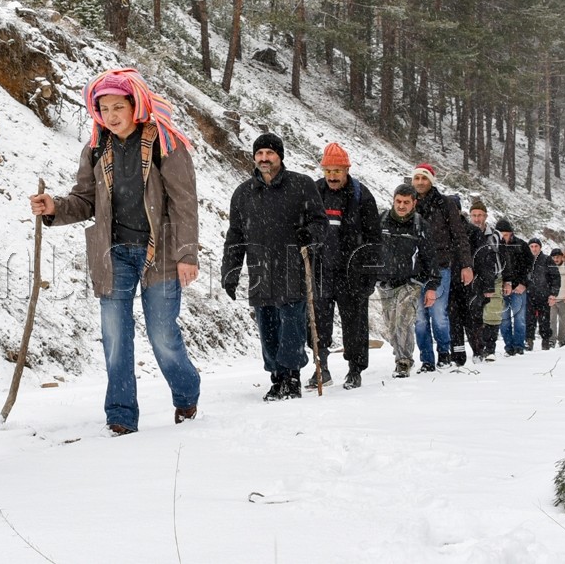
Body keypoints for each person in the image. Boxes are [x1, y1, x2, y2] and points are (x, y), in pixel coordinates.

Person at [30, 68, 201, 435]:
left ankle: (186, 392)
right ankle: (121, 416)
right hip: (114, 253)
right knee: (115, 336)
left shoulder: (164, 143)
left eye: (117, 106)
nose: (111, 114)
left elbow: (184, 203)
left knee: (161, 334)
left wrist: (187, 254)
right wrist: (55, 207)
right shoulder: (96, 148)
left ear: (134, 105)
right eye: (104, 108)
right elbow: (84, 200)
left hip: (161, 253)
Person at [221, 133, 326, 401]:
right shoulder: (243, 193)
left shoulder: (301, 185)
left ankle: (292, 377)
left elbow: (320, 223)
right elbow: (235, 236)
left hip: (293, 267)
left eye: (270, 153)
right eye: (260, 154)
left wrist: (309, 234)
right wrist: (230, 272)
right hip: (259, 270)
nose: (264, 158)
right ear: (254, 157)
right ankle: (276, 377)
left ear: (280, 156)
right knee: (267, 327)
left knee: (291, 324)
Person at [311, 142, 382, 389]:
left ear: (346, 170)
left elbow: (374, 239)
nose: (332, 176)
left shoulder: (362, 195)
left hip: (353, 272)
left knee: (355, 322)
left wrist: (370, 274)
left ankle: (355, 369)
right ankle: (321, 367)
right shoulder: (315, 192)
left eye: (337, 171)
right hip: (321, 269)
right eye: (328, 171)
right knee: (318, 321)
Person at [410, 164, 473, 370]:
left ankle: (444, 354)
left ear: (431, 181)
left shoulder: (445, 204)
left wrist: (466, 265)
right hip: (414, 268)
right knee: (419, 319)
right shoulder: (409, 202)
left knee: (438, 314)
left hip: (440, 265)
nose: (420, 182)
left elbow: (459, 235)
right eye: (417, 178)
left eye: (424, 178)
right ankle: (427, 359)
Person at [374, 184, 434, 378]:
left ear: (414, 203)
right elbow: (369, 248)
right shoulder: (382, 221)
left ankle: (404, 361)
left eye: (406, 202)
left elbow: (430, 257)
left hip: (410, 282)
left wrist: (431, 284)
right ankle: (399, 351)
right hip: (385, 281)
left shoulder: (420, 225)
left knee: (403, 321)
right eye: (398, 201)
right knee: (391, 324)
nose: (401, 206)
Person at [465, 198, 501, 362]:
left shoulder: (494, 235)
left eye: (480, 215)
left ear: (485, 216)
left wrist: (506, 279)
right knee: (475, 315)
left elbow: (503, 256)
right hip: (473, 279)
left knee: (492, 313)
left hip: (494, 278)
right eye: (474, 215)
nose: (477, 219)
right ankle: (478, 349)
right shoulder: (466, 233)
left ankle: (490, 348)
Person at [495, 218, 533, 356]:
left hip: (518, 288)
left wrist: (524, 284)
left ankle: (519, 346)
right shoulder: (494, 246)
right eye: (500, 234)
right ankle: (508, 346)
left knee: (520, 319)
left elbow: (530, 268)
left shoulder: (521, 245)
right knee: (504, 320)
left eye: (505, 234)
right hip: (501, 288)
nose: (503, 237)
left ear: (511, 233)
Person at [526, 238, 558, 350]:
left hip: (544, 294)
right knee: (529, 319)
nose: (534, 249)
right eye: (532, 246)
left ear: (540, 247)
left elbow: (555, 277)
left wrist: (553, 293)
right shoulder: (525, 260)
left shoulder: (547, 260)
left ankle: (545, 341)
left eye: (536, 246)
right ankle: (528, 341)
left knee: (544, 320)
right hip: (528, 294)